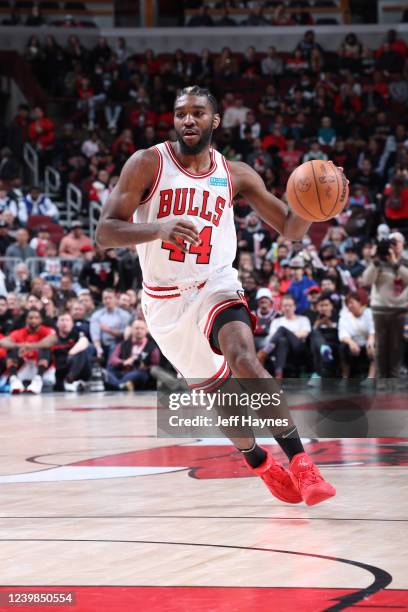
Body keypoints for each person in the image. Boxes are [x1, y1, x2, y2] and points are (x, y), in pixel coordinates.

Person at [96, 85, 337, 506]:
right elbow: (104, 233)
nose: (188, 120)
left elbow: (291, 228)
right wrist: (157, 228)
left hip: (217, 284)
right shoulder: (147, 163)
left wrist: (317, 204)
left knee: (244, 358)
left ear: (215, 121)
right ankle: (260, 460)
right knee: (220, 395)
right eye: (181, 113)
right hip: (165, 301)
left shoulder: (236, 173)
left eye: (197, 113)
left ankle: (303, 464)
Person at [361, 236, 408, 381]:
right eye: (389, 243)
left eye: (395, 243)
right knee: (381, 347)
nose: (392, 247)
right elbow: (366, 281)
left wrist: (395, 263)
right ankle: (381, 381)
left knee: (395, 347)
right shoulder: (377, 263)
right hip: (380, 309)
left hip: (399, 309)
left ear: (402, 244)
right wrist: (375, 260)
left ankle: (393, 380)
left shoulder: (405, 262)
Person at [0, 309, 56, 394]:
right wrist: (20, 346)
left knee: (45, 348)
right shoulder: (19, 332)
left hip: (42, 368)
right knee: (11, 349)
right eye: (31, 318)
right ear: (26, 319)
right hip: (25, 367)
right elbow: (3, 342)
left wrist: (29, 346)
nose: (34, 320)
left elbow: (52, 340)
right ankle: (14, 379)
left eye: (36, 318)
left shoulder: (47, 330)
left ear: (41, 320)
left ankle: (38, 379)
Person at [258, 294, 311, 378]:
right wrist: (288, 335)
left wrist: (287, 333)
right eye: (285, 305)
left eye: (290, 305)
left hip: (298, 347)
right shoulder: (276, 321)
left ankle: (264, 352)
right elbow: (272, 336)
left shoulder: (303, 319)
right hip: (281, 347)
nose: (287, 308)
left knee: (282, 329)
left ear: (295, 307)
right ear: (281, 307)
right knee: (282, 341)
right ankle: (279, 373)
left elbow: (304, 333)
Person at [105, 319, 160, 390]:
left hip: (139, 373)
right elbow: (112, 359)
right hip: (122, 371)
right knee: (106, 373)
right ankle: (120, 385)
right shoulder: (123, 344)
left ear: (146, 330)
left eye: (142, 328)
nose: (139, 331)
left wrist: (145, 367)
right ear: (131, 330)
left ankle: (117, 384)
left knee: (139, 374)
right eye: (136, 328)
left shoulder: (152, 347)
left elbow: (156, 366)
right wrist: (124, 362)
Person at [338, 293, 376, 380]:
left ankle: (371, 377)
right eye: (347, 303)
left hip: (368, 342)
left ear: (359, 302)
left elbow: (373, 329)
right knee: (342, 347)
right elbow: (342, 334)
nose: (350, 305)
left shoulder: (369, 313)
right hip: (354, 344)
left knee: (375, 346)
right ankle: (345, 377)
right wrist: (351, 343)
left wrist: (370, 341)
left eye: (352, 302)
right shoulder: (344, 316)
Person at [90, 288, 131, 363]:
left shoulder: (124, 315)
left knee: (115, 346)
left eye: (110, 298)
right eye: (105, 298)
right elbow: (95, 334)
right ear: (102, 300)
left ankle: (109, 369)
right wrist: (98, 348)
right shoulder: (96, 315)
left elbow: (124, 334)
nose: (108, 300)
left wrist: (109, 330)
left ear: (115, 299)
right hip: (100, 344)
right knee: (89, 348)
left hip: (117, 343)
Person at [53, 312, 91, 392]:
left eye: (67, 320)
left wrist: (71, 353)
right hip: (60, 370)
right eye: (62, 320)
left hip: (75, 366)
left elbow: (84, 341)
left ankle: (70, 379)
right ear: (57, 323)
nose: (64, 323)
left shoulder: (76, 334)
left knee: (82, 352)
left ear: (72, 323)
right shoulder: (53, 336)